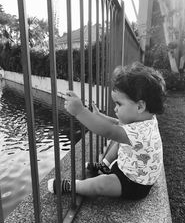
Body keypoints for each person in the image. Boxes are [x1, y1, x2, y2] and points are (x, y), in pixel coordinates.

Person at [48, 62, 166, 200]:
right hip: (131, 168)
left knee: (101, 184)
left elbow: (109, 132)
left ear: (140, 106)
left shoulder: (141, 133)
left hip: (134, 184)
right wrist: (101, 116)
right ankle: (104, 165)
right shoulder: (148, 119)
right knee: (119, 143)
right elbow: (117, 124)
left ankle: (72, 186)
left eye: (119, 104)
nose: (115, 108)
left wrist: (80, 111)